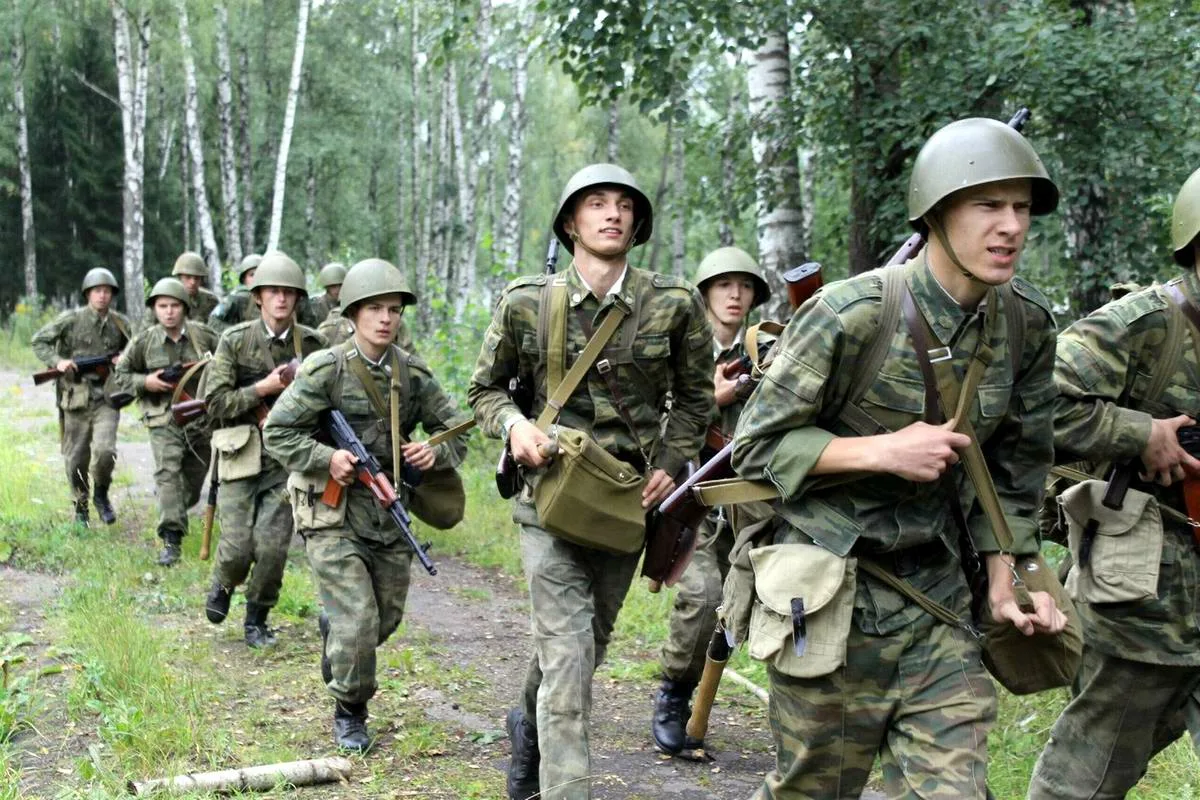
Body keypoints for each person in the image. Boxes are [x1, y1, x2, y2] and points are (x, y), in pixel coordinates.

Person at [729, 118, 1068, 798]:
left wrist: (1008, 572)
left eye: (1022, 208)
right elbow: (756, 450)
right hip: (828, 599)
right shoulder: (850, 315)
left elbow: (1018, 467)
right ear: (938, 214)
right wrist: (883, 450)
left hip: (940, 601)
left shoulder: (1027, 323)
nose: (1010, 227)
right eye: (988, 206)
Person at [469, 163, 714, 800]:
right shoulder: (528, 301)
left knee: (583, 647)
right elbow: (484, 389)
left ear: (637, 223)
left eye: (624, 205)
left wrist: (668, 462)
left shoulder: (675, 304)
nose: (612, 214)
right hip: (547, 500)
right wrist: (515, 426)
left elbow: (694, 401)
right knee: (571, 656)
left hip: (626, 504)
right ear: (571, 222)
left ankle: (526, 728)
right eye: (596, 204)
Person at [1027, 166, 1200, 798]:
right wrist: (1141, 435)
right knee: (1093, 769)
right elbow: (1036, 402)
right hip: (1144, 602)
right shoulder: (1144, 324)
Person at [264, 258, 468, 752]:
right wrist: (326, 457)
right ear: (352, 313)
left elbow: (457, 431)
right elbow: (276, 431)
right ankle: (351, 711)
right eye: (375, 308)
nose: (386, 319)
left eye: (394, 310)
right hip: (332, 514)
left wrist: (434, 450)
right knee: (358, 624)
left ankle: (336, 633)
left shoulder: (412, 374)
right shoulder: (325, 369)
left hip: (387, 511)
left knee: (383, 619)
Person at [651, 245, 770, 755]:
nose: (736, 294)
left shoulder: (769, 350)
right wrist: (712, 401)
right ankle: (674, 694)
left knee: (756, 607)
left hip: (756, 505)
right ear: (705, 294)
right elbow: (651, 427)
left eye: (744, 286)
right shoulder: (681, 353)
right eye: (725, 285)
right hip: (694, 501)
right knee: (700, 596)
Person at [201, 251, 326, 648]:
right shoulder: (235, 341)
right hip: (240, 457)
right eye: (273, 291)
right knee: (237, 548)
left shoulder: (314, 344)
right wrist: (262, 390)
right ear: (257, 297)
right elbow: (215, 402)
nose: (281, 300)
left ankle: (257, 618)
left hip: (286, 461)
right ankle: (224, 582)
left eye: (289, 292)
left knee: (272, 549)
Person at [113, 278, 217, 566]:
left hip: (200, 419)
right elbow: (121, 373)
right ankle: (172, 539)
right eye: (162, 306)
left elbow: (226, 364)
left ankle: (173, 508)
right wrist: (146, 381)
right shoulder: (145, 341)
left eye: (174, 306)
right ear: (154, 309)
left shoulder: (204, 337)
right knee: (168, 472)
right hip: (163, 418)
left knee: (195, 483)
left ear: (184, 308)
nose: (169, 312)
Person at [31, 268, 131, 527]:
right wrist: (58, 361)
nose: (102, 296)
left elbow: (136, 348)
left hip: (107, 398)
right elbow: (39, 340)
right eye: (97, 291)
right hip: (76, 398)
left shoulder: (120, 323)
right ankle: (81, 506)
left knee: (105, 451)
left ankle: (101, 495)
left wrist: (125, 359)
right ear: (88, 293)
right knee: (75, 458)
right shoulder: (71, 320)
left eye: (107, 291)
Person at [208, 253, 263, 335]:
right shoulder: (239, 297)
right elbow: (213, 322)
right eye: (252, 275)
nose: (256, 278)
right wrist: (238, 334)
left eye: (260, 274)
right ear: (244, 279)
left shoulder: (276, 296)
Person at [171, 251, 220, 322]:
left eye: (197, 278)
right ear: (179, 277)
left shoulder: (210, 301)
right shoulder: (164, 300)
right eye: (188, 277)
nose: (193, 282)